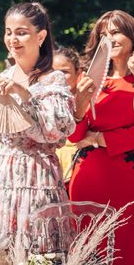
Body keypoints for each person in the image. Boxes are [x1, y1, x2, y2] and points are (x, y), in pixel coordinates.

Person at [0, 2, 75, 250]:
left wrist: (24, 94)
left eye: (21, 32)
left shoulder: (53, 80)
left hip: (35, 178)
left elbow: (55, 132)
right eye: (8, 31)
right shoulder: (1, 77)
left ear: (41, 35)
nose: (13, 39)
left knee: (36, 253)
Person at [68, 10, 134, 264]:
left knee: (125, 246)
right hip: (88, 179)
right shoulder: (90, 78)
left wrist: (100, 139)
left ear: (131, 36)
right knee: (88, 247)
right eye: (103, 34)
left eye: (116, 32)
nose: (110, 39)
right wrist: (79, 105)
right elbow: (75, 136)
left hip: (127, 179)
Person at [52, 46, 94, 177]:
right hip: (51, 171)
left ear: (79, 72)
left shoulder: (92, 101)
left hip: (82, 168)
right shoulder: (43, 103)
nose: (58, 76)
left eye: (65, 72)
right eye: (52, 71)